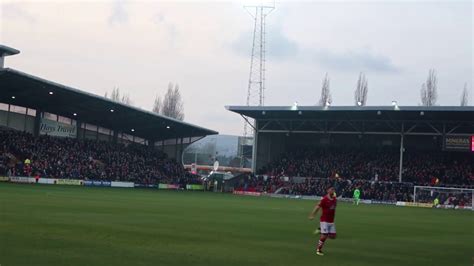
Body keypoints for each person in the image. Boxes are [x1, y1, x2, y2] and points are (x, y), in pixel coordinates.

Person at [308, 186, 337, 256]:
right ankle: (318, 250)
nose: (333, 191)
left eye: (333, 189)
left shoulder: (334, 199)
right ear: (328, 191)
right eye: (331, 189)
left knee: (333, 236)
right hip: (324, 220)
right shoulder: (324, 199)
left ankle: (321, 230)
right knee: (324, 236)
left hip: (331, 221)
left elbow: (334, 207)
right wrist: (312, 215)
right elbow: (317, 207)